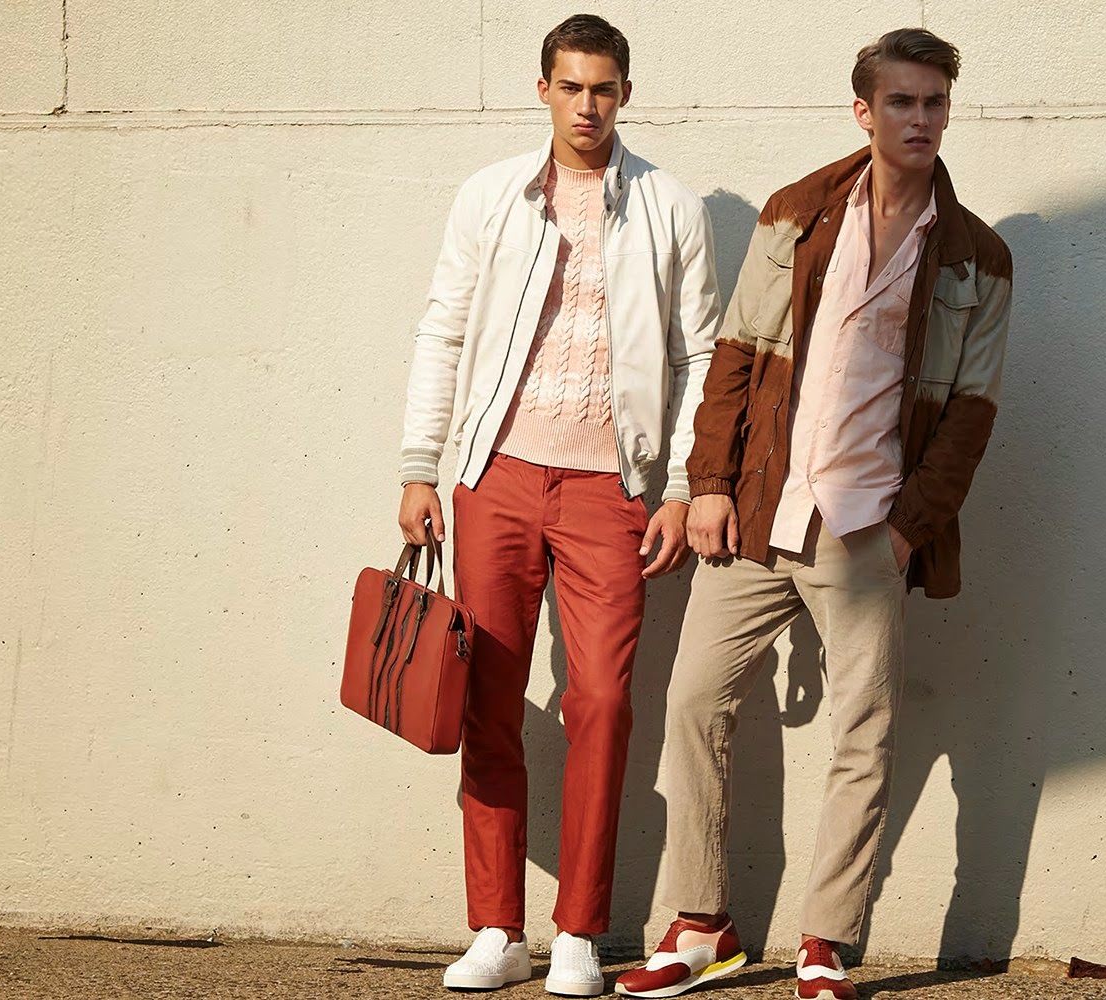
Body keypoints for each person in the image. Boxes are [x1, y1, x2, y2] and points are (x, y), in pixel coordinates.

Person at [615, 28, 1013, 1000]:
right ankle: (700, 925)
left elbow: (970, 413)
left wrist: (908, 528)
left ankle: (825, 941)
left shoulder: (977, 257)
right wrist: (709, 483)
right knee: (693, 702)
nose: (919, 119)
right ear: (863, 111)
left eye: (934, 102)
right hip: (761, 509)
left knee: (862, 733)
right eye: (901, 102)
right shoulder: (797, 212)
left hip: (866, 526)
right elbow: (736, 353)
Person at [396, 13, 721, 997]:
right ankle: (498, 929)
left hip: (608, 489)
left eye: (604, 88)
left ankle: (578, 929)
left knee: (603, 704)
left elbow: (698, 356)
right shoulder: (492, 195)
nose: (587, 105)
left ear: (625, 94)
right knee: (487, 700)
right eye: (571, 86)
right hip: (493, 475)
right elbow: (444, 330)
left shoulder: (668, 206)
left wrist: (679, 484)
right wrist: (420, 465)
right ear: (543, 89)